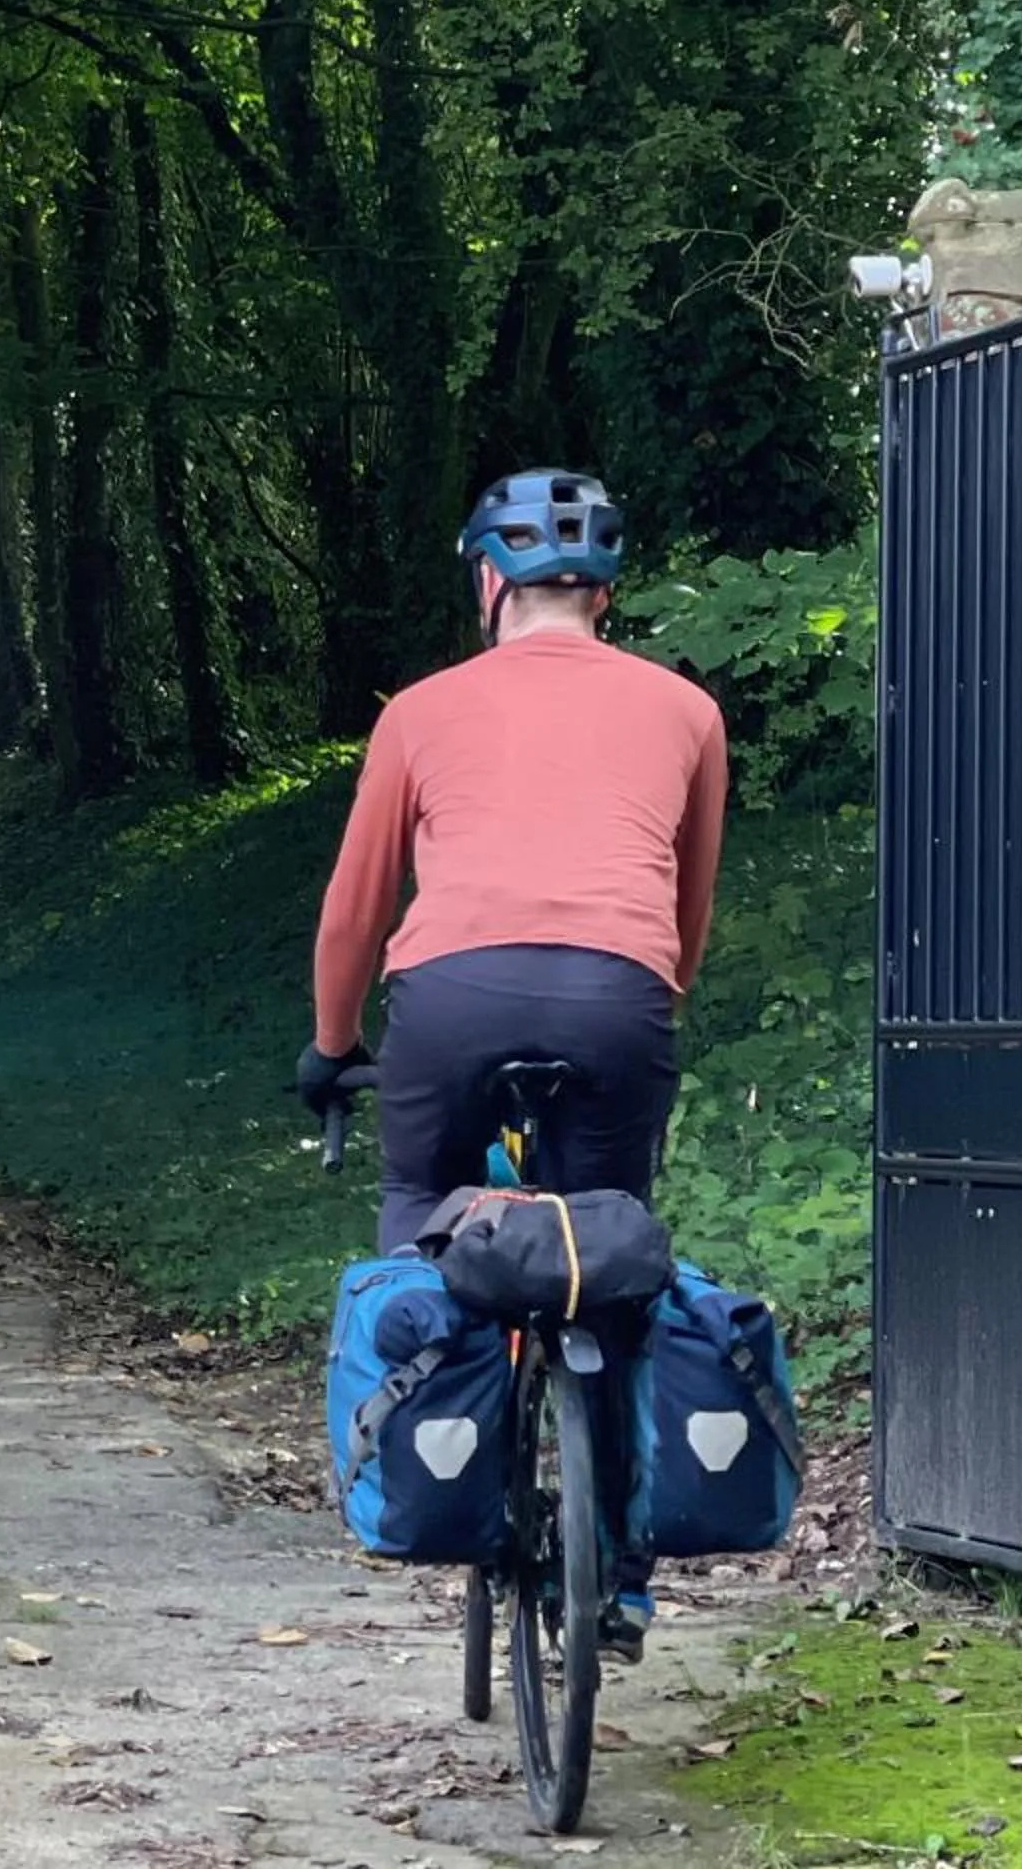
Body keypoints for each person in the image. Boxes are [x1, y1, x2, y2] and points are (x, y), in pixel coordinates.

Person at [296, 467, 728, 1660]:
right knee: (612, 1250)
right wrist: (637, 1000)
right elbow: (683, 912)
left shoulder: (419, 711)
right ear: (604, 592)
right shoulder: (685, 712)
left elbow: (351, 913)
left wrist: (333, 1048)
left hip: (447, 1003)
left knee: (418, 1212)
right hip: (617, 1000)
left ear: (488, 581)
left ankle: (440, 1477)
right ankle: (621, 1577)